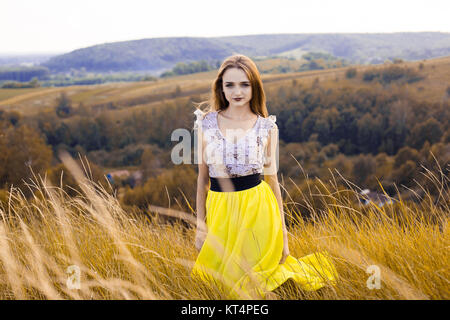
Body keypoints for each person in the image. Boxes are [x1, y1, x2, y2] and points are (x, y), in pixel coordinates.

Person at [190, 54, 338, 299]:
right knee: (221, 286)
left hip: (258, 210)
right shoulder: (205, 124)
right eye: (230, 85)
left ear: (254, 86)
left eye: (244, 84)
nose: (237, 91)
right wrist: (200, 227)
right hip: (221, 212)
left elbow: (273, 181)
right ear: (221, 88)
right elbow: (201, 180)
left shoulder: (267, 127)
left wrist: (285, 237)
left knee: (255, 287)